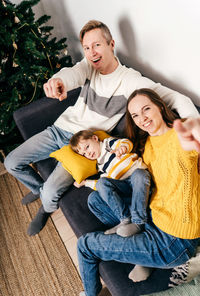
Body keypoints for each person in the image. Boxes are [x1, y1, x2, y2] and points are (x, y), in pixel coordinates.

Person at [4, 20, 199, 236]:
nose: (91, 52)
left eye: (96, 45)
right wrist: (58, 80)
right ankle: (36, 189)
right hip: (59, 130)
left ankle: (45, 206)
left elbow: (174, 98)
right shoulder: (87, 67)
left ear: (111, 44)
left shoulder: (129, 80)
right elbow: (71, 74)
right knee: (12, 162)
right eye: (86, 48)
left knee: (51, 193)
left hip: (84, 146)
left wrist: (193, 124)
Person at [76, 88, 200, 296]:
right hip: (152, 216)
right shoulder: (148, 144)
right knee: (95, 199)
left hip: (175, 238)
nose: (142, 118)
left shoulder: (182, 137)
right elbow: (140, 183)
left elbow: (193, 133)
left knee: (85, 245)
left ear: (160, 106)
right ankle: (138, 240)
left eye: (146, 109)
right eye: (135, 115)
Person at [70, 130, 151, 237]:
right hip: (124, 187)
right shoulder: (100, 166)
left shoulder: (108, 144)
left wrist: (122, 148)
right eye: (84, 154)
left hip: (137, 179)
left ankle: (138, 222)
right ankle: (125, 219)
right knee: (101, 184)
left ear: (95, 138)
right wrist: (86, 183)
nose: (88, 153)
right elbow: (103, 185)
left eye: (87, 147)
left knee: (140, 174)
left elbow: (127, 142)